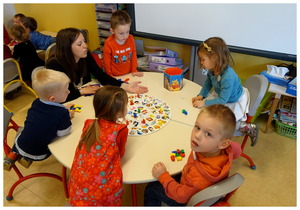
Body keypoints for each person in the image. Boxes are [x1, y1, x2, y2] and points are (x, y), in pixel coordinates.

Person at [144, 104, 242, 206]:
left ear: (223, 143)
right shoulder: (227, 148)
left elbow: (181, 196)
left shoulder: (198, 175)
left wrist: (163, 176)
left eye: (208, 134)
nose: (197, 135)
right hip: (202, 188)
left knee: (151, 188)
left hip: (186, 200)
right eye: (197, 127)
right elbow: (237, 150)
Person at [46, 27, 147, 102]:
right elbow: (58, 98)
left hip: (86, 98)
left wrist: (124, 86)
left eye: (84, 41)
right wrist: (81, 91)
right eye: (79, 44)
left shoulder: (85, 55)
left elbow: (101, 75)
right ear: (67, 48)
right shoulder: (54, 65)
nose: (85, 46)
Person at [3, 68, 75, 171]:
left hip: (20, 144)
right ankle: (27, 159)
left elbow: (45, 117)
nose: (69, 92)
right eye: (66, 91)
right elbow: (63, 133)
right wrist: (68, 117)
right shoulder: (62, 113)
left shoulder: (36, 102)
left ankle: (12, 155)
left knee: (25, 131)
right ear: (52, 99)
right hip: (40, 153)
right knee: (47, 141)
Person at [68, 86, 129, 206]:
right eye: (125, 105)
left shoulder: (88, 123)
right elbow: (120, 154)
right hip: (103, 196)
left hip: (77, 191)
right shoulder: (121, 130)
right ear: (119, 112)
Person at [192, 37, 258, 146]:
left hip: (233, 99)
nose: (201, 62)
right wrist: (201, 95)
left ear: (215, 58)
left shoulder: (228, 77)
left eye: (202, 59)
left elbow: (223, 100)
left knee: (225, 123)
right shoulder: (213, 69)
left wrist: (203, 103)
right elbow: (208, 82)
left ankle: (248, 127)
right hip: (223, 95)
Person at [103, 10, 143, 77]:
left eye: (127, 32)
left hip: (130, 73)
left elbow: (133, 54)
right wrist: (110, 75)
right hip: (115, 75)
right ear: (112, 31)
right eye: (121, 33)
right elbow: (106, 62)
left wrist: (134, 70)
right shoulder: (108, 43)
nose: (125, 36)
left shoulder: (130, 38)